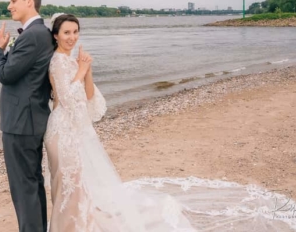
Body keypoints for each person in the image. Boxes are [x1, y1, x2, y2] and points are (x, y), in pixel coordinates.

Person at [44, 14, 296, 232]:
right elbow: (65, 99)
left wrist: (87, 70)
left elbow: (88, 97)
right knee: (69, 184)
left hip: (77, 128)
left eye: (76, 32)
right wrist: (80, 70)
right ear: (56, 35)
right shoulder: (56, 62)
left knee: (79, 184)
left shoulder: (73, 61)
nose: (72, 37)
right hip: (63, 131)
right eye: (66, 32)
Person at [0, 0, 53, 232]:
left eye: (13, 0)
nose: (9, 6)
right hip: (31, 118)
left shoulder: (32, 35)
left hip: (21, 121)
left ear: (29, 1)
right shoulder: (39, 33)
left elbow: (6, 74)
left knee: (23, 185)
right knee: (32, 183)